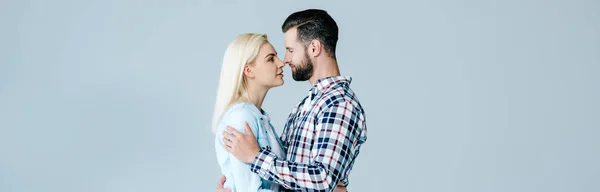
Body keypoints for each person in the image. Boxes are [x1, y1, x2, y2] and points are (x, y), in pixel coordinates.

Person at [218, 9, 367, 192]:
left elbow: (323, 179)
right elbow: (284, 175)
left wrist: (256, 157)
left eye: (290, 50)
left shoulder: (339, 104)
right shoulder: (305, 105)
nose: (285, 60)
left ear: (314, 48)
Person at [212, 33, 286, 191]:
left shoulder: (259, 117)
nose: (281, 63)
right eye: (270, 59)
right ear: (248, 70)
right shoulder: (241, 117)